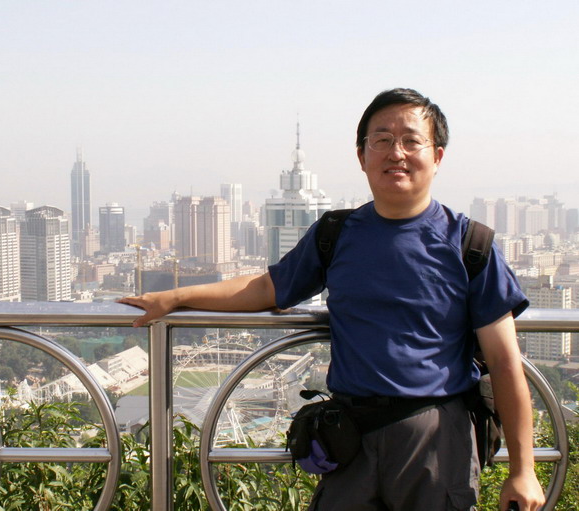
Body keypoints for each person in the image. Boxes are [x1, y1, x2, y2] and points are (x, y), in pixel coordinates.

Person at [119, 88, 545, 511]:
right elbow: (268, 288)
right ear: (362, 156)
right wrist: (176, 298)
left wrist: (523, 469)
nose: (396, 152)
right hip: (350, 438)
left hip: (436, 440)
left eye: (411, 140)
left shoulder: (470, 245)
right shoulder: (336, 234)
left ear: (437, 156)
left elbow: (505, 361)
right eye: (381, 140)